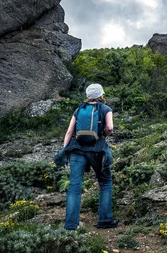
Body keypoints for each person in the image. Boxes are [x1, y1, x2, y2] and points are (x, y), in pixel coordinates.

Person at [61, 83, 118, 230]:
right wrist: (104, 134)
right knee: (105, 183)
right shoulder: (106, 109)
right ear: (101, 95)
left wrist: (65, 151)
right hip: (97, 150)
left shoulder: (79, 109)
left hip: (76, 149)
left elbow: (69, 132)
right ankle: (104, 220)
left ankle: (70, 225)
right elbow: (110, 128)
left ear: (87, 95)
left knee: (74, 187)